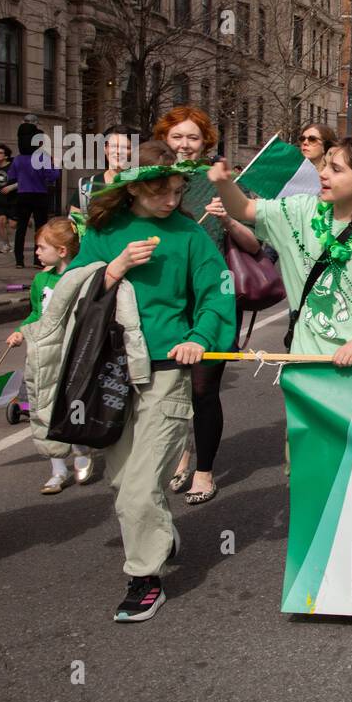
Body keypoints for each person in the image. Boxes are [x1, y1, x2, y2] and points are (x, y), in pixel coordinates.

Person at [65, 142, 236, 621]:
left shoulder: (189, 234)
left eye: (178, 190)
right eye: (162, 190)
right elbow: (68, 293)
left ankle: (144, 578)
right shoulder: (103, 232)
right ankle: (159, 537)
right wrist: (114, 268)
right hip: (112, 371)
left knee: (141, 487)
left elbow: (218, 290)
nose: (172, 199)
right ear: (135, 187)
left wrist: (200, 336)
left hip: (166, 372)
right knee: (122, 483)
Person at [211, 135, 352, 360]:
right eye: (326, 166)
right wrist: (223, 183)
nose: (323, 174)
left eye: (336, 170)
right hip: (307, 360)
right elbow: (242, 208)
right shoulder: (298, 210)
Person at [153, 106, 259, 505]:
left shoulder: (223, 183)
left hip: (213, 297)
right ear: (165, 139)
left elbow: (255, 245)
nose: (184, 145)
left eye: (192, 138)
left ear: (205, 142)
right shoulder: (154, 183)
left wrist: (228, 220)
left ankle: (204, 470)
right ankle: (181, 455)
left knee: (203, 387)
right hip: (167, 299)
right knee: (171, 385)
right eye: (177, 137)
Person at [6, 218, 94, 494]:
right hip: (45, 353)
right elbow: (36, 313)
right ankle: (58, 469)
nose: (37, 252)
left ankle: (81, 449)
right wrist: (21, 332)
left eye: (42, 247)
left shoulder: (83, 278)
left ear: (62, 250)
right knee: (45, 406)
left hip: (73, 351)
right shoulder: (41, 279)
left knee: (73, 403)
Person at [7, 128, 59, 269]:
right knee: (40, 229)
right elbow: (52, 176)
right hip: (39, 195)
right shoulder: (43, 157)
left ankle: (19, 260)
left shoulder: (18, 159)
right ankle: (37, 259)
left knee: (21, 229)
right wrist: (55, 165)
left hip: (23, 195)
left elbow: (11, 176)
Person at [69, 125, 138, 218]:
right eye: (113, 146)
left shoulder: (140, 185)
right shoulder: (86, 186)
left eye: (126, 147)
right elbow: (74, 224)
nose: (118, 151)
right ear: (105, 148)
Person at [0, 144, 17, 253]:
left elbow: (22, 180)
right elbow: (1, 181)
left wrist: (12, 187)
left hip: (13, 199)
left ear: (6, 156)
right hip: (1, 199)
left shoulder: (13, 166)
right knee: (1, 222)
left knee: (13, 225)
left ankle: (26, 221)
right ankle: (6, 245)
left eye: (0, 153)